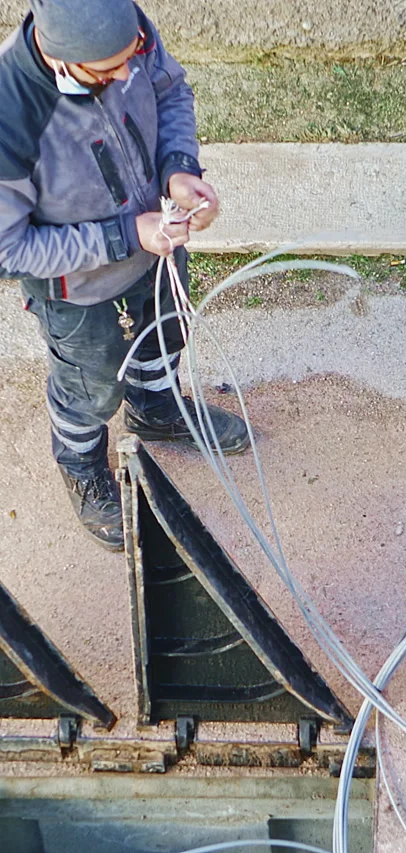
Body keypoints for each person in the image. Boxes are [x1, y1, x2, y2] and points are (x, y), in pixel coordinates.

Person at [0, 0, 249, 552]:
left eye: (130, 57)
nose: (124, 76)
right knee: (90, 384)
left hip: (154, 244)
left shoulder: (126, 30)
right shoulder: (8, 115)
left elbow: (168, 87)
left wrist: (179, 167)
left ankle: (157, 409)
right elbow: (8, 248)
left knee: (167, 329)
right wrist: (123, 236)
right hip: (73, 284)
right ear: (56, 53)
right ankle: (81, 464)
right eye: (106, 72)